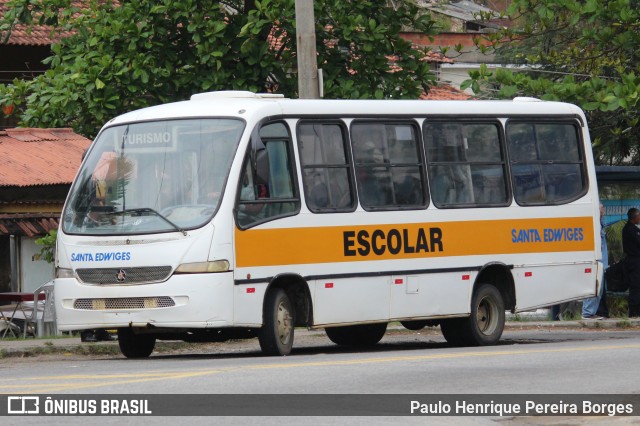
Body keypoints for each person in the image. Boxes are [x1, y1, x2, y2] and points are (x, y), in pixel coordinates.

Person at [582, 203, 607, 319]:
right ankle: (587, 313)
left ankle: (591, 312)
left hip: (602, 261)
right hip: (596, 260)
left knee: (599, 289)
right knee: (594, 286)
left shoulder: (601, 224)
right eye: (602, 209)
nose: (604, 210)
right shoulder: (594, 224)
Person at [622, 207, 640, 318]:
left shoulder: (633, 228)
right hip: (634, 261)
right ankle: (634, 311)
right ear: (635, 217)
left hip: (635, 260)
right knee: (635, 286)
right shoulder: (630, 229)